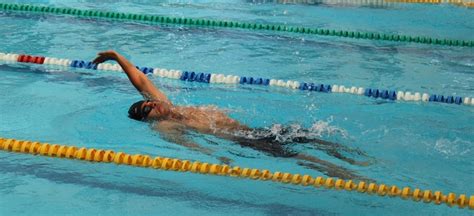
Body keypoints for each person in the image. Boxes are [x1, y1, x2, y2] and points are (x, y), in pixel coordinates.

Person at [93, 50, 370, 180]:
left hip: (255, 130)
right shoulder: (165, 126)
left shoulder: (168, 104)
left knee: (310, 135)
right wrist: (217, 158)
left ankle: (358, 160)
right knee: (300, 157)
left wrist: (116, 56)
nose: (152, 106)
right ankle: (347, 176)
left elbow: (140, 80)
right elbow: (191, 146)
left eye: (148, 104)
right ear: (149, 120)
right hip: (245, 142)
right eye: (147, 111)